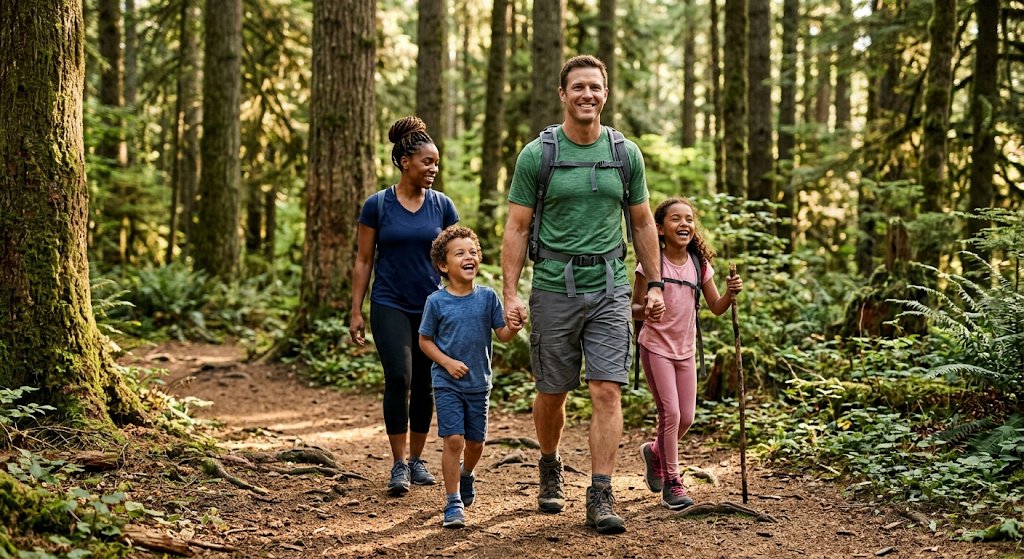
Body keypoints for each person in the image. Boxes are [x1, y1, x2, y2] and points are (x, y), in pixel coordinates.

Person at [500, 54, 666, 535]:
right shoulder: (537, 155)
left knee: (606, 388)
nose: (587, 95)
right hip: (553, 288)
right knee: (552, 392)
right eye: (578, 87)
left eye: (595, 87)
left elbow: (640, 222)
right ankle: (550, 463)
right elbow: (516, 227)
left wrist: (654, 283)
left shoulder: (625, 153)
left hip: (611, 288)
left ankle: (600, 490)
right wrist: (511, 293)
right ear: (563, 95)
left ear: (605, 93)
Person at [350, 116, 459, 496]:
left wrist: (462, 303)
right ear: (405, 162)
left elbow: (456, 257)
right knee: (400, 378)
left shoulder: (443, 207)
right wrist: (355, 310)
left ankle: (417, 460)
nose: (433, 169)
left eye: (437, 163)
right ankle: (397, 464)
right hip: (389, 303)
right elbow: (364, 260)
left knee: (426, 384)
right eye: (427, 162)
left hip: (431, 307)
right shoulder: (377, 205)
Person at [632, 197, 743, 510]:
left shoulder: (699, 265)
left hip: (686, 351)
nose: (684, 224)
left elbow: (717, 308)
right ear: (659, 228)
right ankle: (672, 482)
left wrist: (731, 294)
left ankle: (654, 452)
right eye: (676, 219)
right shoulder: (651, 264)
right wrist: (647, 310)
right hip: (656, 347)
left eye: (689, 219)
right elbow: (634, 309)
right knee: (672, 414)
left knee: (688, 417)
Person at [419, 226, 523, 528]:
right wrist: (447, 363)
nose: (469, 257)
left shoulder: (488, 298)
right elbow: (425, 341)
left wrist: (514, 327)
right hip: (447, 381)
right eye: (460, 253)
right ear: (443, 265)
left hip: (479, 383)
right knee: (453, 439)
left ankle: (466, 474)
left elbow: (502, 335)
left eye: (473, 252)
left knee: (475, 444)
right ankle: (452, 502)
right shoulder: (436, 302)